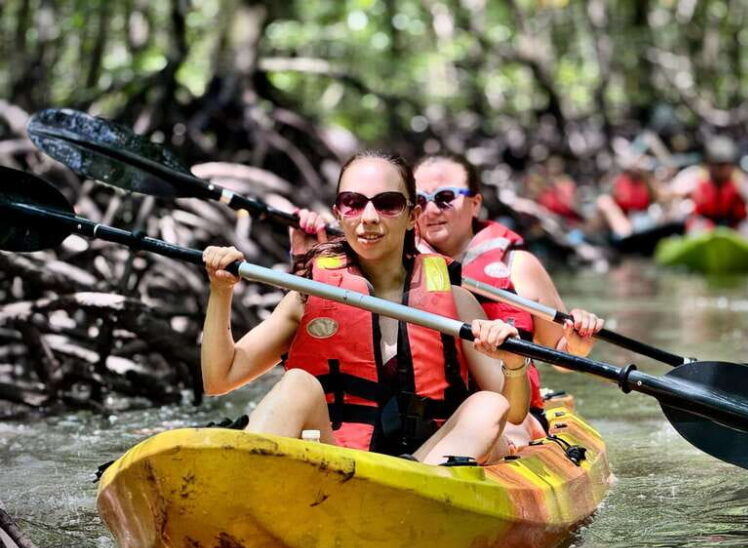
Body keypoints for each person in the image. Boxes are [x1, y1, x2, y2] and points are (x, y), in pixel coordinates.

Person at [201, 151, 535, 466]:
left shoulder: (456, 301)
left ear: (411, 217)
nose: (369, 218)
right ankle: (242, 484)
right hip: (336, 463)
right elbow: (220, 378)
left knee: (489, 404)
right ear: (339, 213)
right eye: (353, 203)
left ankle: (413, 495)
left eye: (387, 204)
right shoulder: (308, 296)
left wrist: (514, 364)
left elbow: (515, 412)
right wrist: (221, 291)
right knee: (297, 385)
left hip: (427, 469)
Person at [413, 153, 604, 433]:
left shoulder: (518, 265)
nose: (431, 210)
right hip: (432, 414)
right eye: (419, 200)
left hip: (514, 412)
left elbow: (561, 356)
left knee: (507, 424)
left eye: (444, 197)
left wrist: (578, 345)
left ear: (475, 204)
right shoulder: (398, 265)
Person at [670, 135, 748, 231]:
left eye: (725, 164)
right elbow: (669, 196)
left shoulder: (740, 181)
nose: (720, 169)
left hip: (734, 231)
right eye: (716, 164)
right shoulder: (694, 177)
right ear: (708, 163)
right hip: (703, 230)